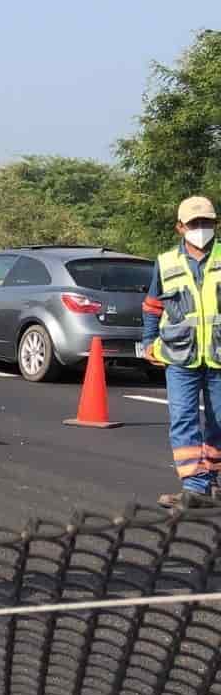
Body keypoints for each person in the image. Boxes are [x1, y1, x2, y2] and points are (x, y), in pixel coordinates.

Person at [142, 196, 221, 508]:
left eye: (207, 223)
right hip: (179, 355)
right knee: (183, 418)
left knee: (219, 421)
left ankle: (212, 480)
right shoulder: (165, 263)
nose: (201, 228)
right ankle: (195, 486)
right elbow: (152, 306)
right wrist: (148, 342)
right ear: (180, 227)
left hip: (218, 355)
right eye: (194, 224)